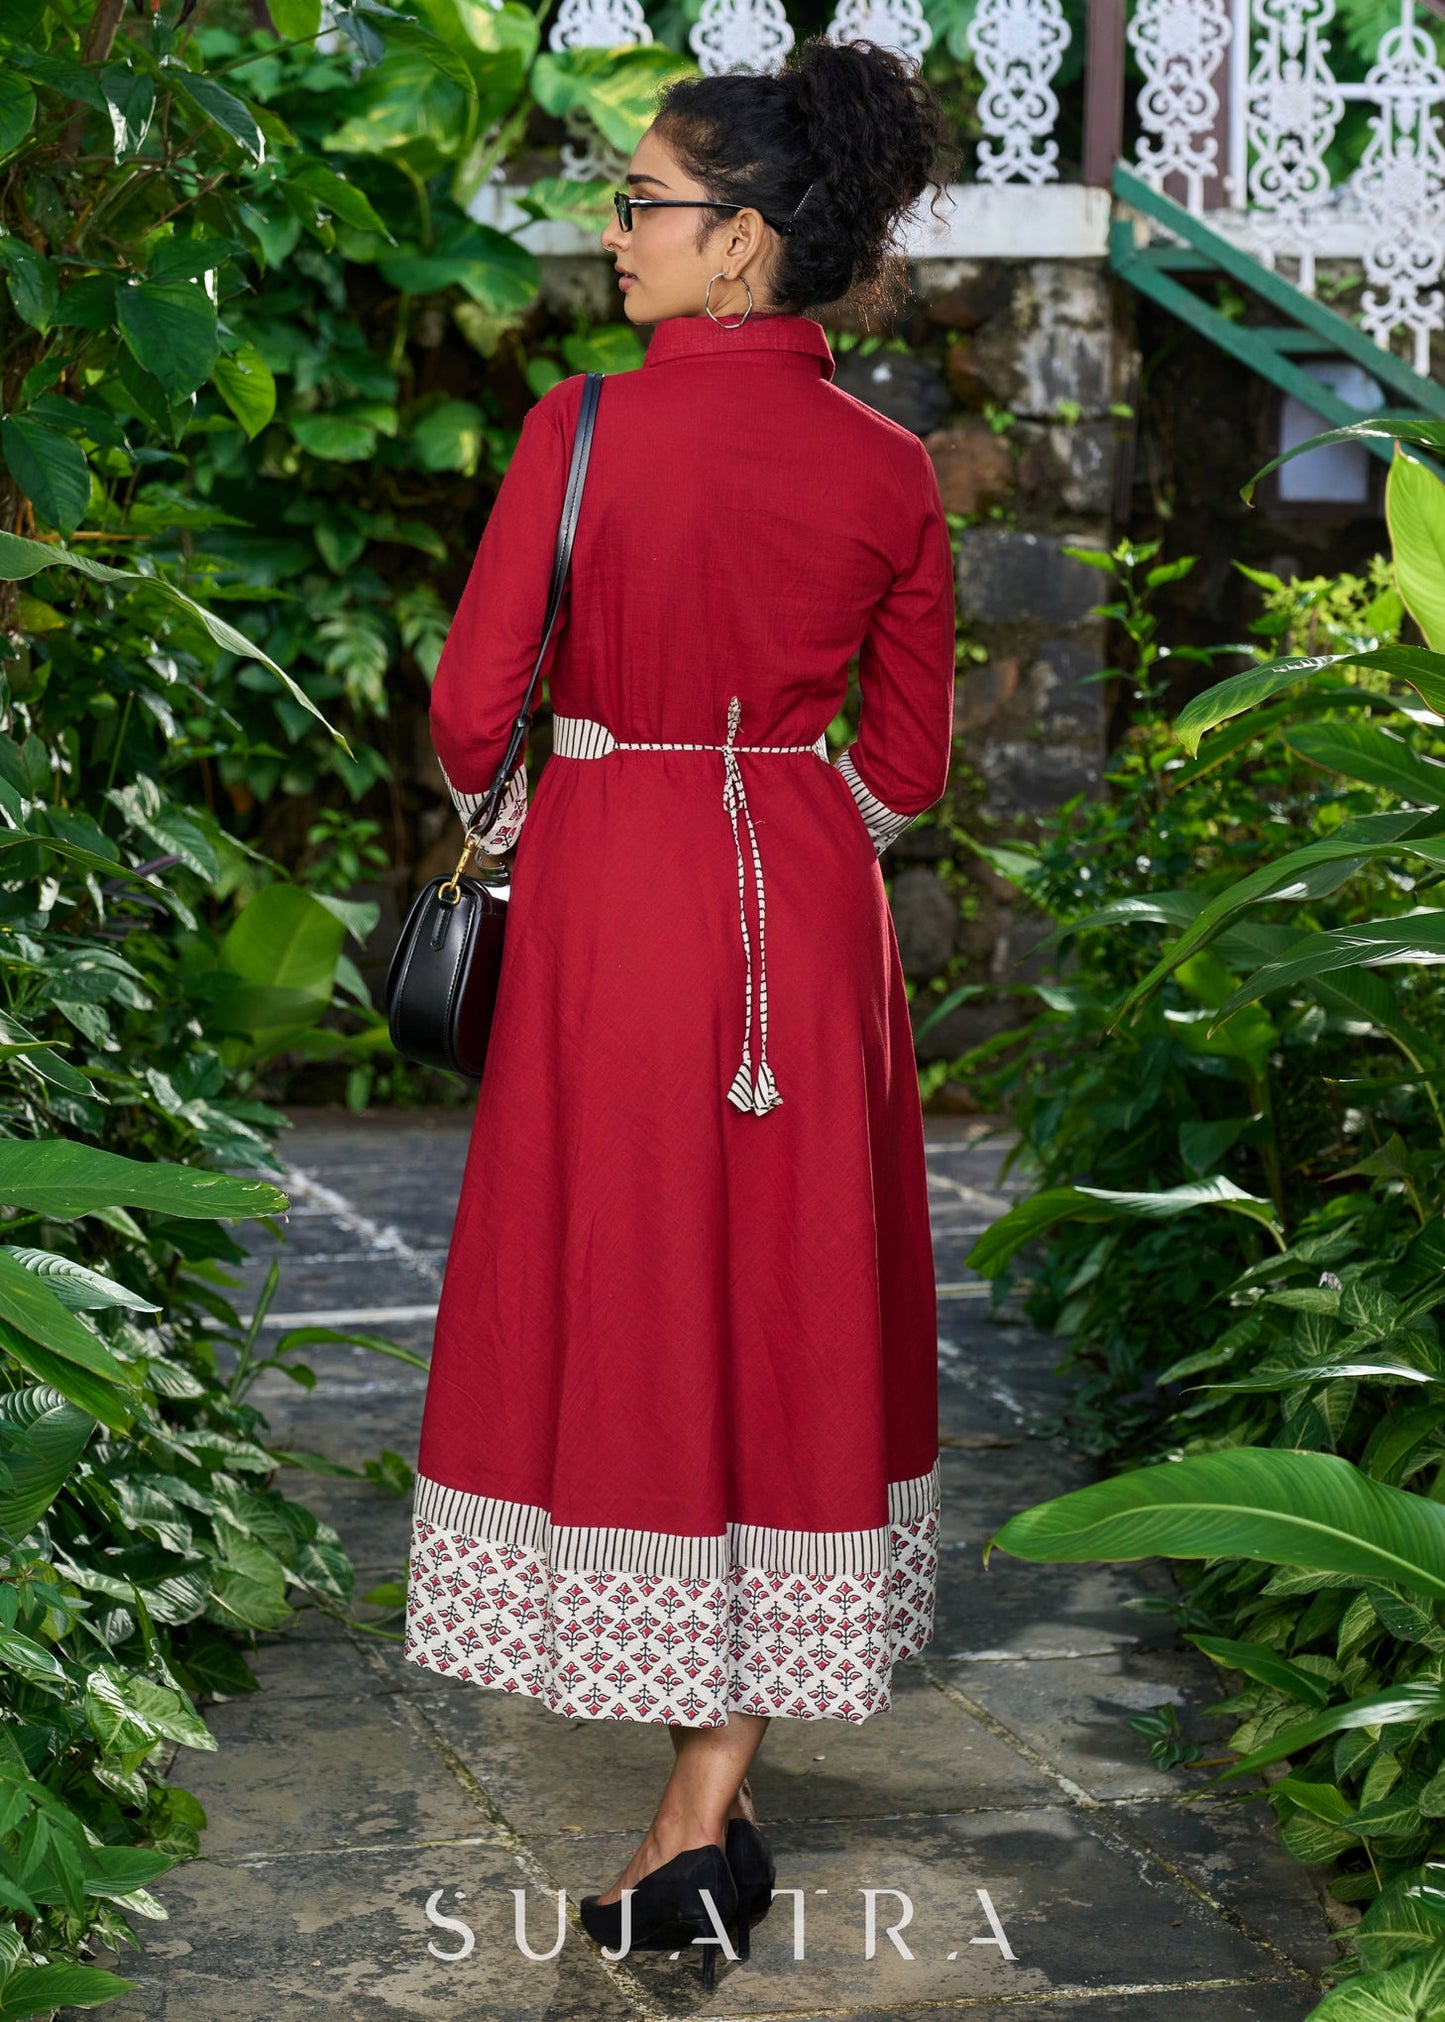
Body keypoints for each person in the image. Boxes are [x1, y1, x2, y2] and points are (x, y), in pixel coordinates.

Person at [403, 32, 960, 1991]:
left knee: (641, 1312)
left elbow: (478, 716)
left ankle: (691, 1826)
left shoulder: (575, 435)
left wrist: (572, 815)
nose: (613, 232)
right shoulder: (892, 468)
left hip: (613, 912)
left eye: (642, 203)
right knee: (785, 1316)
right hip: (809, 924)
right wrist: (794, 835)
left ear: (739, 246)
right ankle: (711, 1800)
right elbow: (909, 765)